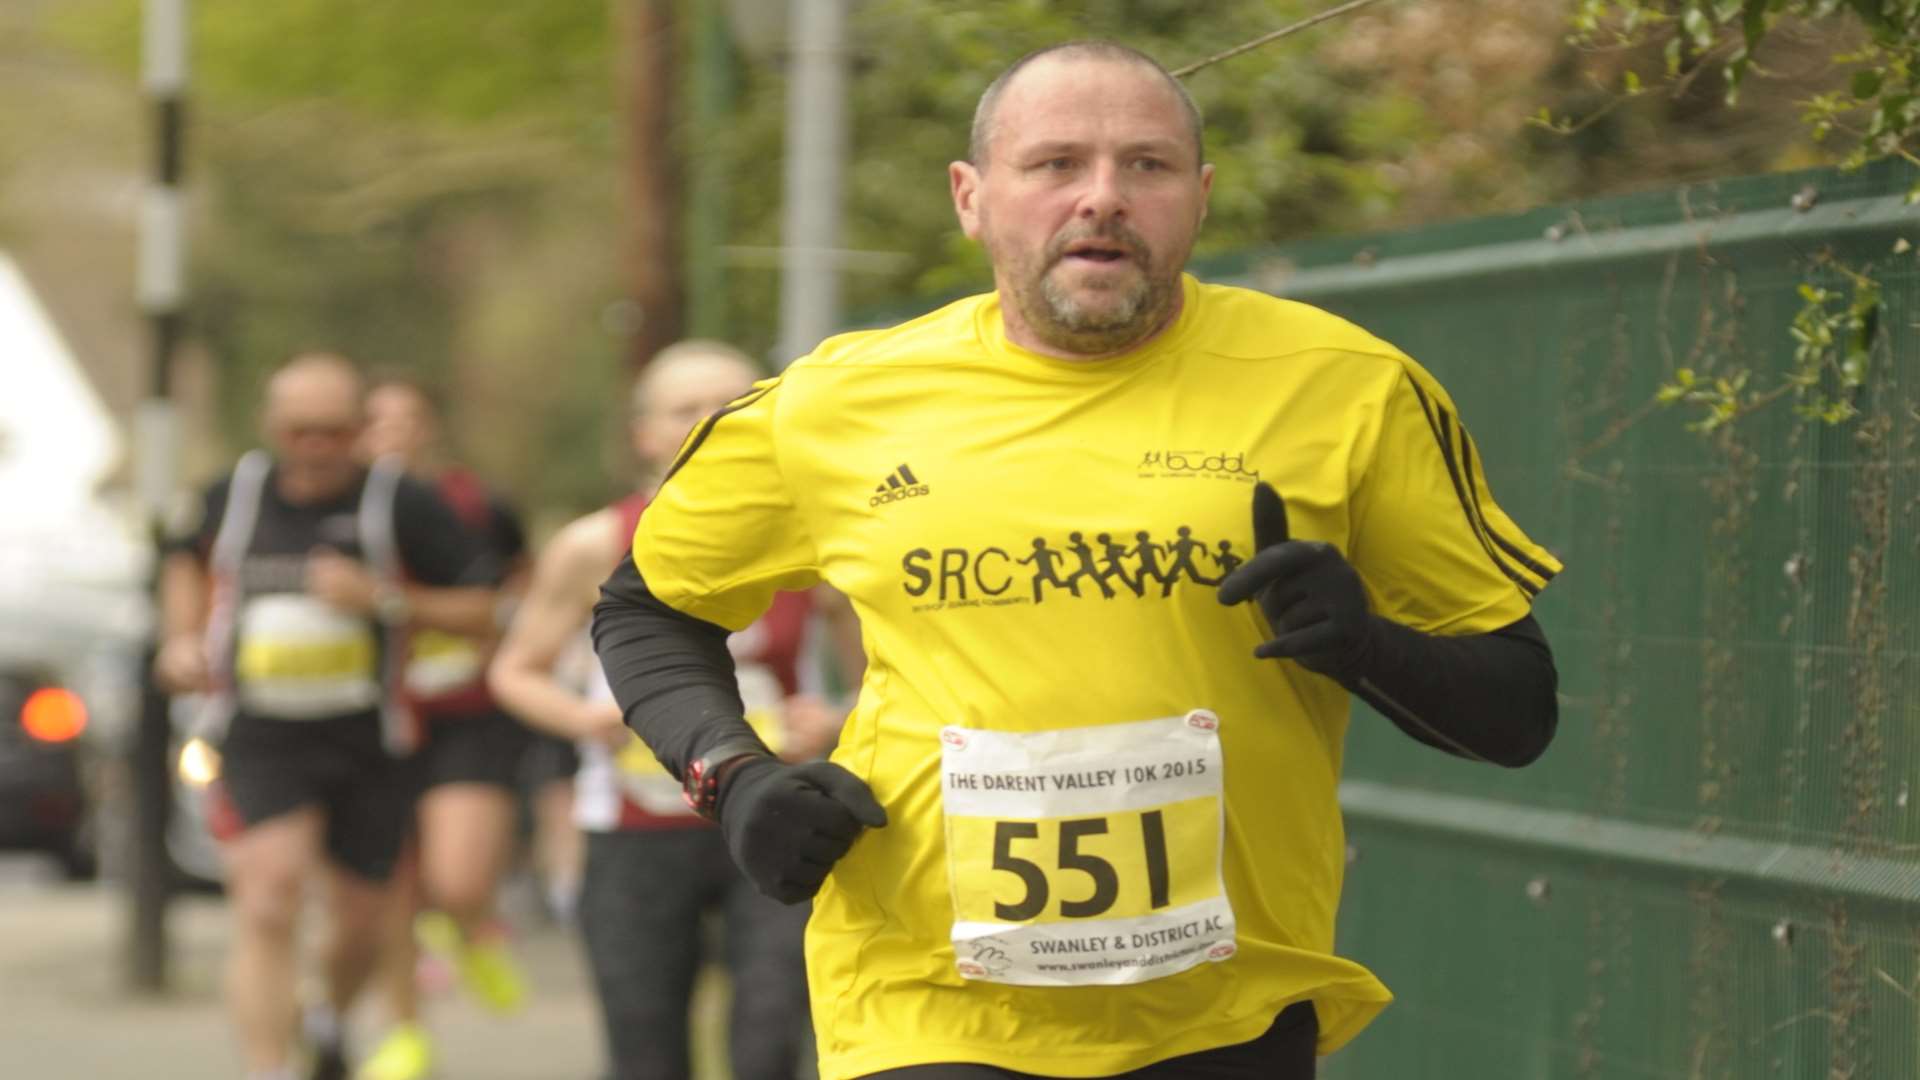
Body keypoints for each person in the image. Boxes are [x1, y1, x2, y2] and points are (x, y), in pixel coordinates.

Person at [590, 41, 1562, 1080]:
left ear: (1199, 195)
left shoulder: (1348, 388)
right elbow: (647, 607)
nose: (1102, 198)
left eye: (1145, 166)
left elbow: (1517, 712)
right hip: (927, 1003)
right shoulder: (832, 404)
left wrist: (1368, 645)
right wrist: (732, 777)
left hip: (1224, 1006)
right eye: (1055, 164)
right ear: (971, 197)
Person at [488, 340, 855, 1080]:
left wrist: (837, 718)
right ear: (644, 434)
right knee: (645, 1048)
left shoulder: (820, 534)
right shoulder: (594, 542)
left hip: (778, 813)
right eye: (687, 409)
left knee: (772, 1035)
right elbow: (515, 671)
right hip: (634, 826)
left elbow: (885, 675)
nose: (713, 418)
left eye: (734, 401)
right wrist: (586, 718)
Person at [156, 353, 499, 1080]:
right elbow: (183, 560)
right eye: (299, 430)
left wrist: (384, 601)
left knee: (360, 921)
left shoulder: (401, 502)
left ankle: (328, 1016)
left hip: (367, 734)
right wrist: (181, 640)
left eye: (334, 431)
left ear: (360, 429)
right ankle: (267, 1067)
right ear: (271, 426)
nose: (315, 447)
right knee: (268, 895)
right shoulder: (233, 494)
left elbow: (482, 610)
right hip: (257, 731)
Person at [353, 376, 533, 1080]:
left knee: (454, 878)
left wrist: (489, 652)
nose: (391, 432)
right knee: (392, 886)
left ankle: (472, 924)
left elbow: (518, 589)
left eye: (407, 418)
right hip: (377, 719)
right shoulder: (343, 514)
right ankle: (403, 1036)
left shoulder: (477, 505)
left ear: (429, 428)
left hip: (470, 712)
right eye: (377, 419)